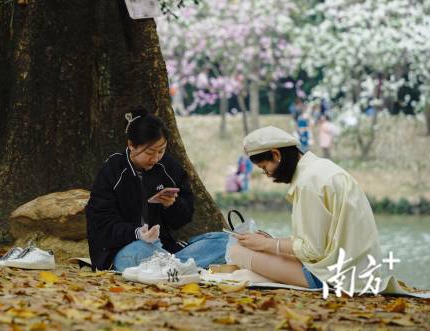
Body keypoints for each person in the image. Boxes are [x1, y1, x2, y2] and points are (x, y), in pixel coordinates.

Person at [227, 126, 382, 291]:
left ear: (276, 154)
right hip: (358, 270)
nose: (268, 175)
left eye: (265, 168)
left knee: (236, 251)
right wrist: (269, 241)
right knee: (258, 250)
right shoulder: (320, 169)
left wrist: (266, 244)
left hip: (338, 277)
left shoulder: (309, 184)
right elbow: (321, 242)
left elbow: (313, 251)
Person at [85, 107, 228, 272]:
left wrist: (172, 205)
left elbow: (183, 219)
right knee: (139, 252)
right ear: (131, 145)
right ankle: (180, 266)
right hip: (124, 248)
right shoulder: (113, 170)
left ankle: (172, 266)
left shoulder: (168, 168)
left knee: (224, 241)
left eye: (161, 151)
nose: (156, 158)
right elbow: (102, 224)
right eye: (150, 152)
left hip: (164, 247)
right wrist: (137, 233)